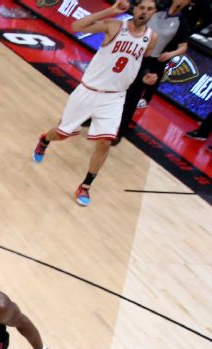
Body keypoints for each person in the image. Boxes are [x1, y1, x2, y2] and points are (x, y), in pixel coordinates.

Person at [32, 0, 160, 207]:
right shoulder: (115, 26)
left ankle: (86, 185)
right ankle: (45, 140)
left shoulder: (151, 38)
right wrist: (111, 11)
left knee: (105, 141)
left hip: (115, 96)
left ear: (154, 13)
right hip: (88, 91)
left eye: (149, 9)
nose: (144, 12)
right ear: (135, 9)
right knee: (62, 133)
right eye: (142, 7)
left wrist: (145, 77)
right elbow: (76, 27)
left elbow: (141, 63)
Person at [116, 0, 196, 145]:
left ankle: (120, 129)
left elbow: (183, 47)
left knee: (133, 96)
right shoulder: (157, 9)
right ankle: (96, 117)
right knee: (114, 85)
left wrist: (171, 54)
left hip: (150, 60)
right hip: (133, 51)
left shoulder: (182, 22)